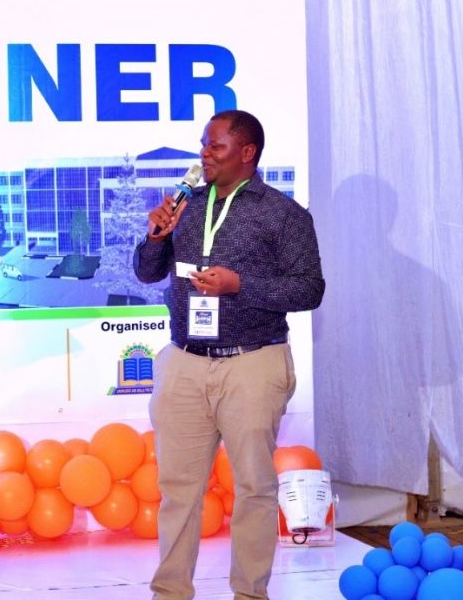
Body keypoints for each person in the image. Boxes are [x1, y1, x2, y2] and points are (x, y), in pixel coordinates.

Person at [134, 110, 324, 600]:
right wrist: (155, 237)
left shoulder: (284, 214)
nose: (204, 153)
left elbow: (309, 289)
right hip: (185, 361)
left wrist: (241, 285)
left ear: (247, 152)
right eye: (203, 143)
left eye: (215, 145)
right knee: (178, 490)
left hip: (252, 363)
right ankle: (169, 593)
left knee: (254, 489)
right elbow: (147, 273)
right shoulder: (188, 205)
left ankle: (249, 594)